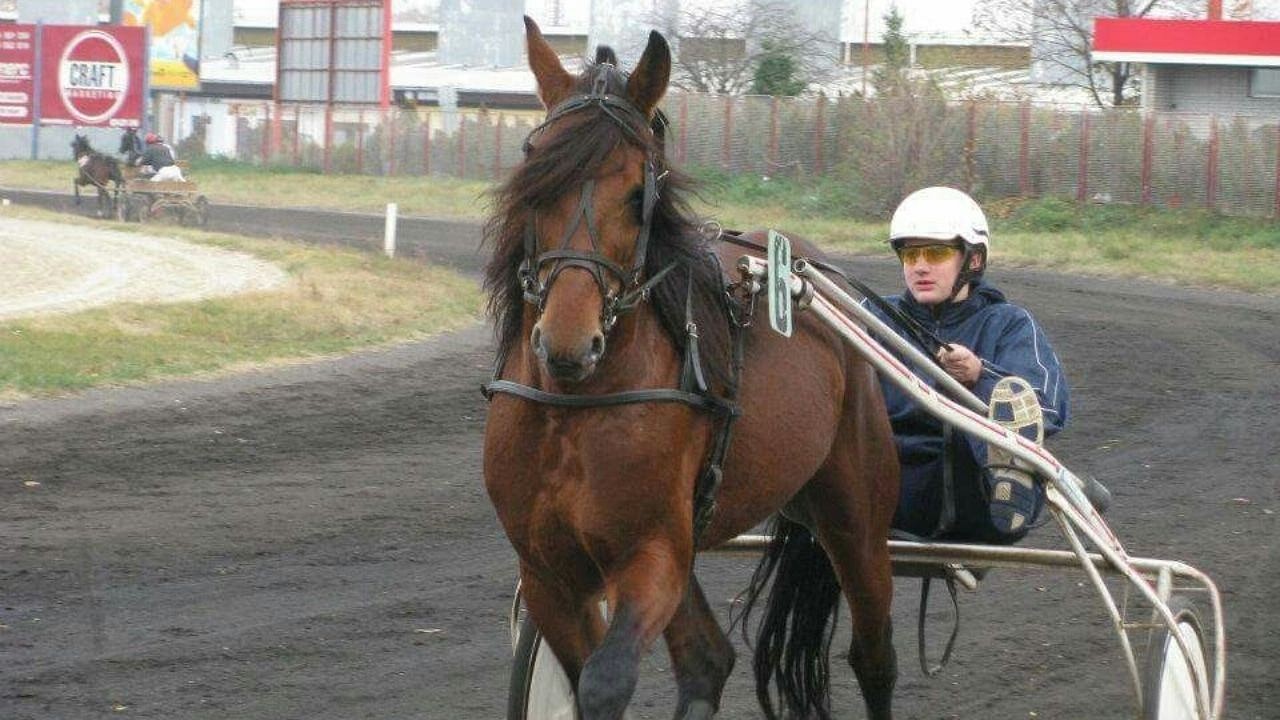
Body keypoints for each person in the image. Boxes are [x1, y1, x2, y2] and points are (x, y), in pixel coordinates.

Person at [866, 186, 1069, 544]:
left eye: (936, 253)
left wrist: (980, 376)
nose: (920, 266)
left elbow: (1047, 407)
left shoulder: (1008, 323)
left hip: (976, 500)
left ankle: (1011, 475)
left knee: (1004, 411)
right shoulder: (875, 317)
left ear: (973, 260)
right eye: (910, 255)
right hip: (885, 488)